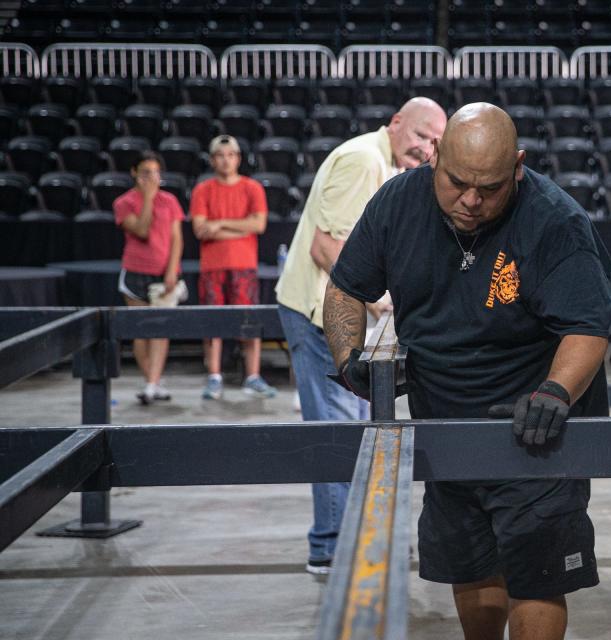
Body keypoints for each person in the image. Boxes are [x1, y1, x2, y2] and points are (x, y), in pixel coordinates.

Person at [323, 103, 611, 640]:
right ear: (434, 156)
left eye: (491, 188)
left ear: (519, 166)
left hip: (537, 432)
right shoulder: (397, 204)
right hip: (446, 430)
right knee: (471, 562)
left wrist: (556, 391)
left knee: (536, 575)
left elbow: (587, 325)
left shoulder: (556, 221)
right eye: (458, 183)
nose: (472, 201)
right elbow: (345, 286)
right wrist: (349, 358)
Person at [274, 97, 447, 575]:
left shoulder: (389, 165)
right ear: (394, 124)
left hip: (342, 319)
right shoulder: (363, 160)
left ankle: (356, 537)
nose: (427, 148)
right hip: (317, 317)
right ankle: (331, 547)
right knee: (336, 434)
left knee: (360, 431)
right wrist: (384, 302)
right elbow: (327, 247)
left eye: (436, 141)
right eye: (420, 135)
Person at [190, 134, 276, 400]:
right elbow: (200, 230)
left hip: (244, 266)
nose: (225, 160)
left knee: (249, 321)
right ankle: (214, 376)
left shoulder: (252, 188)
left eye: (230, 155)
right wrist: (238, 226)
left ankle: (252, 376)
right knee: (213, 321)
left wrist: (219, 225)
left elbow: (258, 225)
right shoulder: (203, 189)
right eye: (220, 155)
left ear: (238, 158)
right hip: (212, 267)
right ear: (213, 159)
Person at [113, 151, 185, 405]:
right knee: (140, 331)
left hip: (162, 273)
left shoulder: (170, 201)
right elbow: (141, 229)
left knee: (160, 330)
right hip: (134, 273)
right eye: (145, 173)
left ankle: (153, 383)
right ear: (134, 173)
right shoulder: (124, 203)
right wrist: (147, 199)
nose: (151, 178)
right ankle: (150, 381)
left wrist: (171, 272)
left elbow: (177, 238)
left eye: (155, 173)